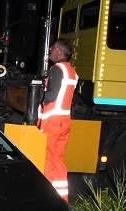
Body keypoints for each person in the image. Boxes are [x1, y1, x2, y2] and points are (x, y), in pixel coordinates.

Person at [37, 39, 78, 202]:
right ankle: (61, 199)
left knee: (48, 159)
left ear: (60, 52)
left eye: (53, 48)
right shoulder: (71, 71)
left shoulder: (56, 69)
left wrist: (36, 95)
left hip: (52, 122)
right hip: (64, 121)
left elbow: (51, 96)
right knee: (58, 160)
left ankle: (48, 198)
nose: (50, 51)